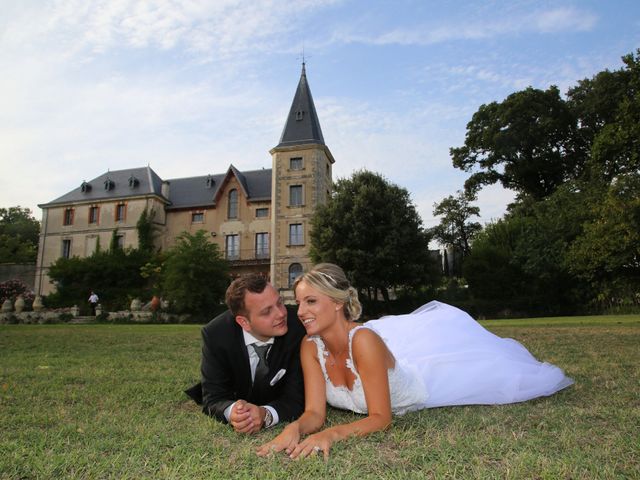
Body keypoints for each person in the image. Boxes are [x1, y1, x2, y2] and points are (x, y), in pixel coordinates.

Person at [257, 263, 573, 459]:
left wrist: (329, 435)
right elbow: (315, 412)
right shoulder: (310, 346)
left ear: (338, 303)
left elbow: (381, 418)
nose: (300, 311)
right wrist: (297, 428)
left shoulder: (363, 341)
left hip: (428, 386)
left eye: (311, 301)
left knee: (501, 372)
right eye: (299, 302)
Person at [185, 273, 306, 434]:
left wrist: (266, 415)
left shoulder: (298, 327)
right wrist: (233, 411)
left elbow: (297, 397)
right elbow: (214, 398)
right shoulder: (216, 334)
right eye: (266, 312)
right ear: (244, 322)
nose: (280, 313)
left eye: (280, 303)